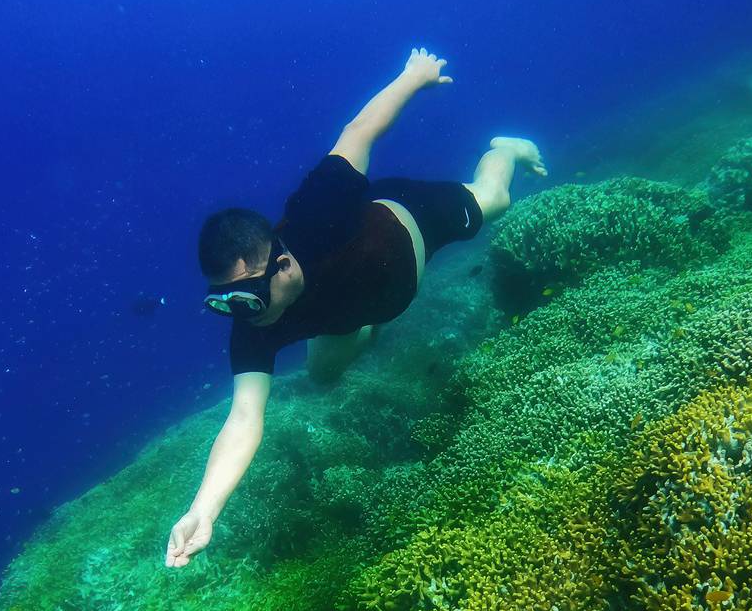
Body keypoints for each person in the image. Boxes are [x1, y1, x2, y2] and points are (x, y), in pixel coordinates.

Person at [165, 48, 546, 569]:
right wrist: (203, 509)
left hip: (411, 221)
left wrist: (413, 77)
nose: (244, 314)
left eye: (250, 297)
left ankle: (507, 148)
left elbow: (359, 131)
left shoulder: (317, 209)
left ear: (282, 264)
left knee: (495, 198)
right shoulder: (250, 322)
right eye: (224, 304)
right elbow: (244, 417)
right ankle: (364, 329)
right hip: (353, 311)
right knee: (323, 376)